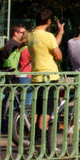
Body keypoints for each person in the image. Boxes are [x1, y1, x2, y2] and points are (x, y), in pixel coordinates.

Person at [26, 8, 64, 136]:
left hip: (36, 77)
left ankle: (34, 137)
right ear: (48, 21)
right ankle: (42, 141)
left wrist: (60, 33)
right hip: (49, 76)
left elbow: (49, 46)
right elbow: (58, 55)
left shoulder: (31, 35)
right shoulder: (48, 36)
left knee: (37, 110)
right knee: (46, 111)